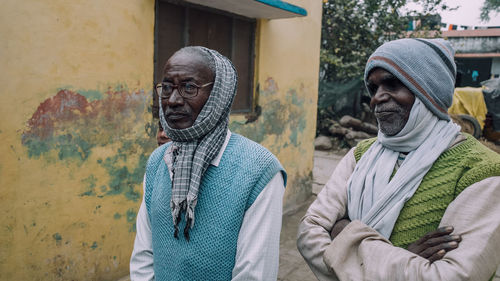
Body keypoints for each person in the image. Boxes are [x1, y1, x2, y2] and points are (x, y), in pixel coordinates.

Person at [297, 38, 500, 280]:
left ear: (429, 90)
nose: (377, 98)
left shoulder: (481, 170)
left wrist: (342, 232)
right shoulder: (361, 155)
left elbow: (452, 276)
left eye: (392, 84)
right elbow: (309, 232)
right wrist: (403, 257)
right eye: (373, 88)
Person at [130, 46, 286, 280]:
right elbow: (143, 257)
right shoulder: (157, 162)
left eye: (189, 88)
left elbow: (254, 275)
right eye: (167, 87)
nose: (173, 100)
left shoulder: (259, 170)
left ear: (219, 94)